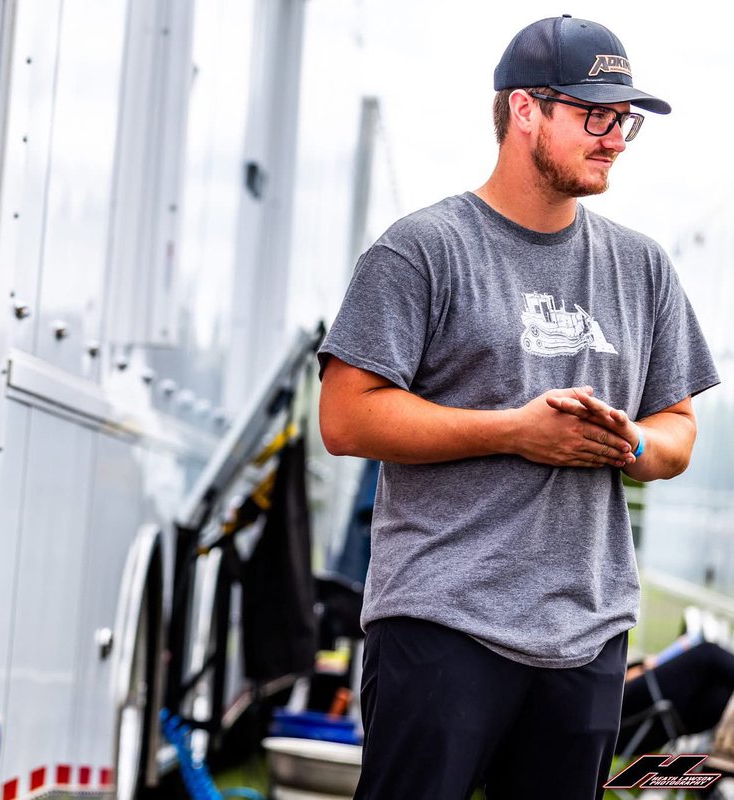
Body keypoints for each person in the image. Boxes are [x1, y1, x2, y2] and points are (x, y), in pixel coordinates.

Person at [316, 15, 720, 800]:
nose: (614, 138)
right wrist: (518, 431)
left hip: (587, 634)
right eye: (594, 116)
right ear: (524, 109)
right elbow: (346, 418)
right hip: (442, 623)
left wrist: (623, 440)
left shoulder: (643, 269)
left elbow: (677, 435)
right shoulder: (422, 249)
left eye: (623, 121)